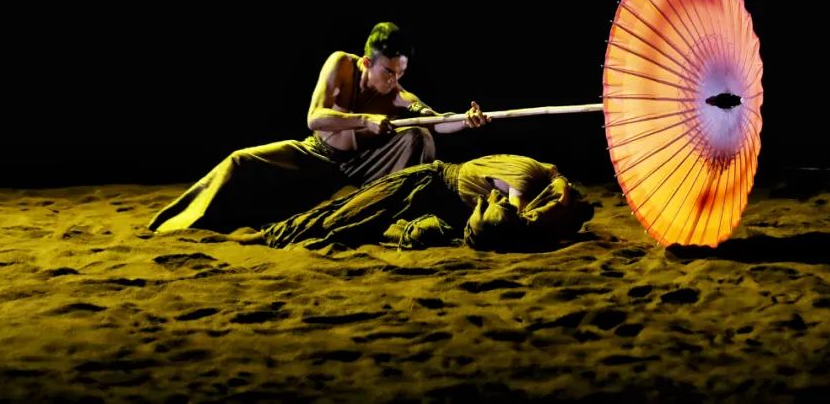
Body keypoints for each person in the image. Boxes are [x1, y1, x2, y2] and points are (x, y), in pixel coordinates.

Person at [147, 22, 489, 233]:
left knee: (418, 135)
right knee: (241, 161)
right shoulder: (341, 65)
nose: (394, 80)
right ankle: (178, 223)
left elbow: (435, 121)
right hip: (317, 155)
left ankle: (393, 214)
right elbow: (315, 118)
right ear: (367, 62)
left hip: (362, 167)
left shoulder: (398, 95)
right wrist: (364, 120)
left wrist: (464, 120)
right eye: (389, 71)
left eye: (401, 73)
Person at [227, 154, 595, 252]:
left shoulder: (546, 177)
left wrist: (561, 185)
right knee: (348, 215)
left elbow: (554, 175)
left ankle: (278, 233)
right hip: (428, 182)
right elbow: (514, 216)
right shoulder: (525, 179)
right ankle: (272, 235)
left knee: (364, 227)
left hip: (451, 206)